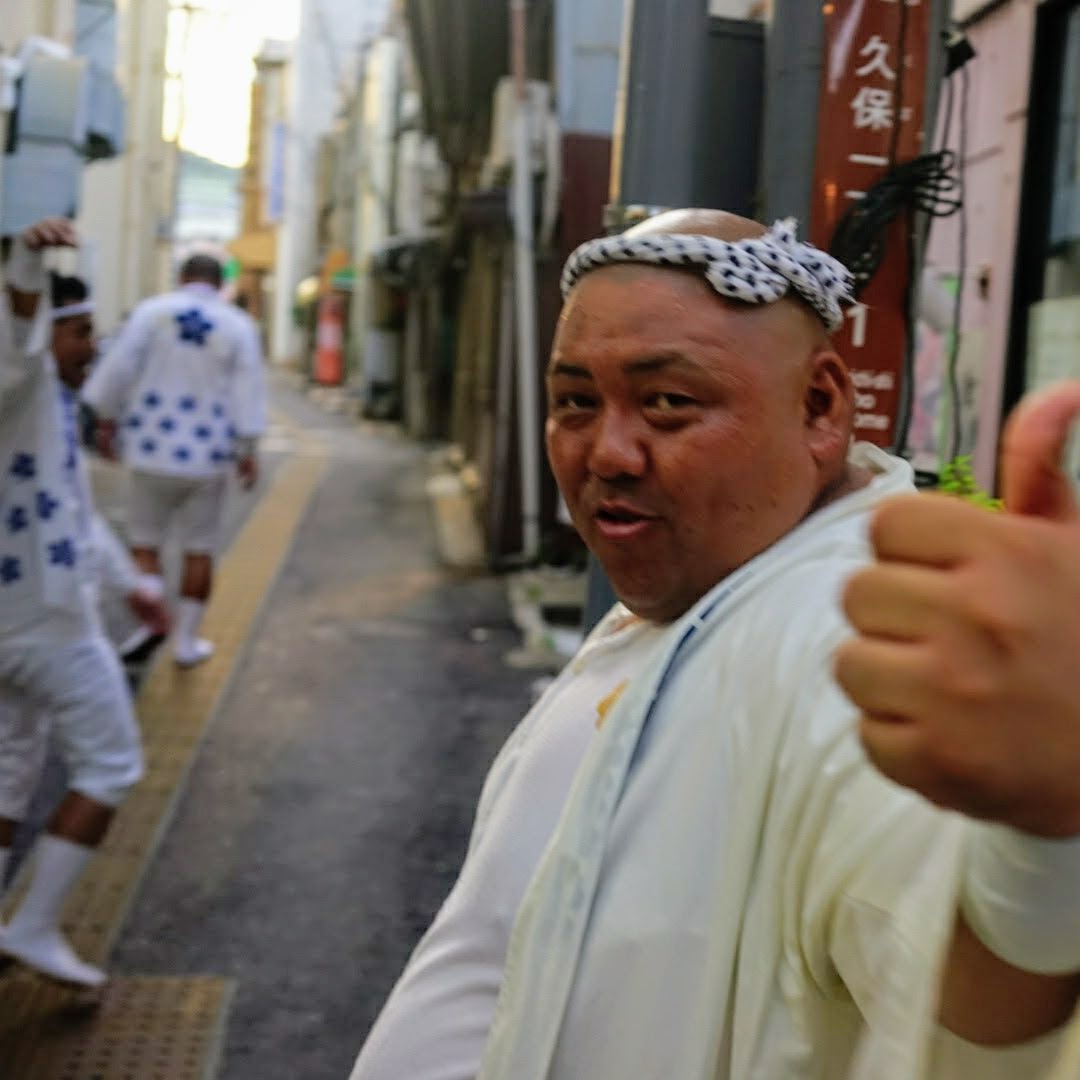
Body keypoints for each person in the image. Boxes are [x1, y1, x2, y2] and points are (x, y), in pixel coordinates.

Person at [350, 211, 1080, 1079]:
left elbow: (969, 972)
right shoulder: (711, 585)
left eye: (668, 403)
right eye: (576, 401)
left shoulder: (841, 633)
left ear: (820, 407)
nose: (608, 453)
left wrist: (1046, 829)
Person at [0, 223, 167, 987]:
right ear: (47, 331)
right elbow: (16, 340)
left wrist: (134, 585)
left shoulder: (48, 408)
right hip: (46, 620)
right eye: (81, 331)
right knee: (111, 762)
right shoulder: (22, 376)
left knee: (9, 771)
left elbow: (76, 512)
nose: (93, 346)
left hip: (21, 613)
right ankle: (33, 924)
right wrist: (27, 264)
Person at [82, 253, 267, 667]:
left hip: (149, 448)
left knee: (145, 542)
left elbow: (118, 370)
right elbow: (248, 390)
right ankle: (186, 643)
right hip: (208, 456)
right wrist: (247, 449)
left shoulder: (151, 313)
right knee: (199, 548)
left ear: (182, 277)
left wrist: (106, 419)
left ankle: (151, 621)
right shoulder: (239, 325)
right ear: (219, 284)